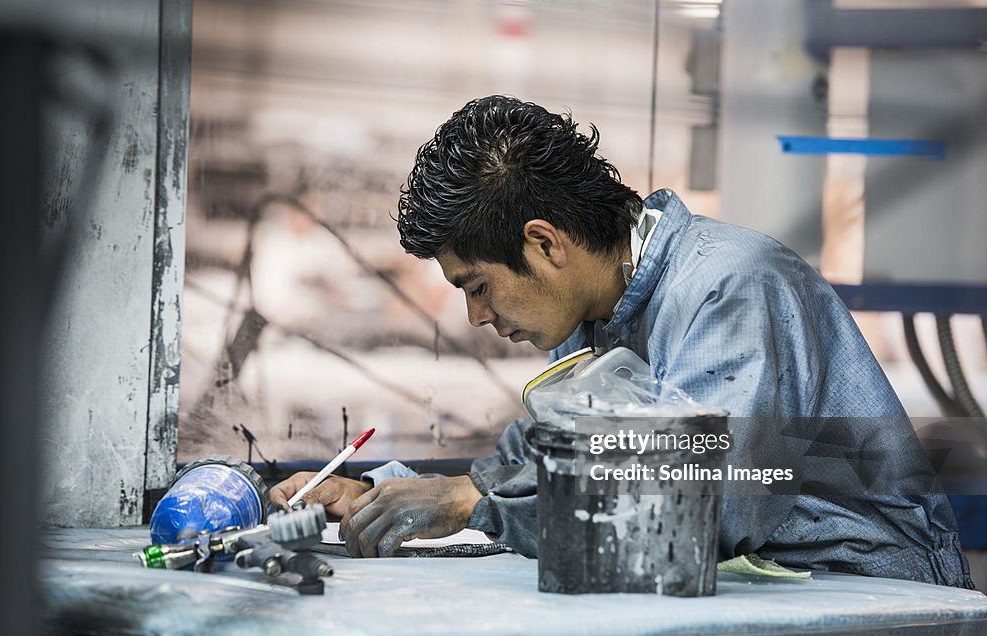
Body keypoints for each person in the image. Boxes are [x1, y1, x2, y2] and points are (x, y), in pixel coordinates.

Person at [271, 95, 972, 588]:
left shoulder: (732, 287)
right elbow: (538, 460)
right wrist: (374, 493)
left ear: (543, 243)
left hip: (864, 595)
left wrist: (474, 506)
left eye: (477, 285)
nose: (476, 317)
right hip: (771, 589)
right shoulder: (596, 320)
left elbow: (713, 499)